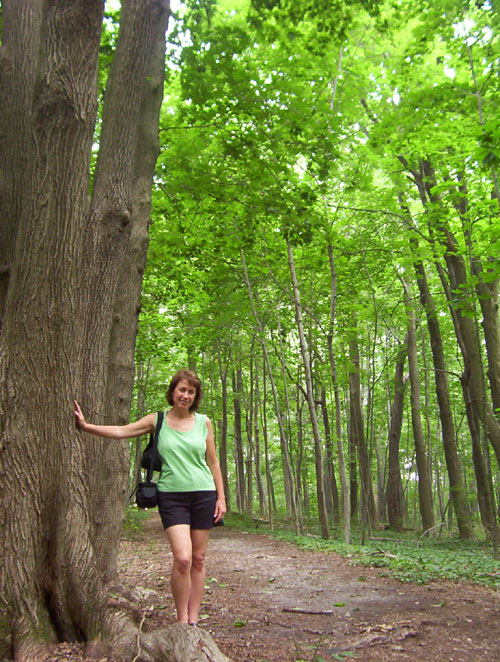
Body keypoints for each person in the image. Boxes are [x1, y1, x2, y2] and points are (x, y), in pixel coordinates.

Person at [74, 369, 226, 626]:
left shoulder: (204, 422)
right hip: (172, 497)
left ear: (195, 396)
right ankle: (180, 621)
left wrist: (221, 498)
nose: (186, 395)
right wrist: (87, 427)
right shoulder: (158, 420)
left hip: (203, 494)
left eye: (191, 392)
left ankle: (193, 620)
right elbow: (122, 431)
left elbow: (213, 462)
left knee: (198, 559)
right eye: (182, 390)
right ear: (172, 392)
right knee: (183, 558)